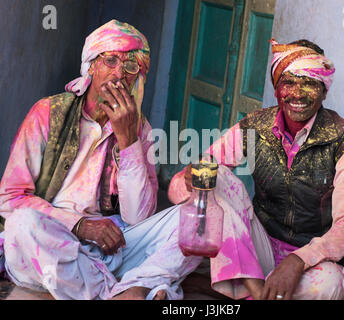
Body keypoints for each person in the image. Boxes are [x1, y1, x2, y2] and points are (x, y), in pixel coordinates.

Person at [0, 20, 203, 300]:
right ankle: (124, 290)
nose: (119, 73)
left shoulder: (138, 127)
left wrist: (128, 140)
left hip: (115, 246)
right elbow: (9, 199)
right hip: (53, 240)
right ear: (92, 65)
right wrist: (80, 225)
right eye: (110, 60)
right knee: (21, 224)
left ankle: (117, 284)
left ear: (137, 77)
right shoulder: (47, 113)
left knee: (197, 218)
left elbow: (138, 217)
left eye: (131, 66)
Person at [168, 39, 344, 300]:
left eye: (309, 82)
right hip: (256, 246)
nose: (297, 94)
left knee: (334, 283)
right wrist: (190, 186)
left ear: (324, 90)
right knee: (214, 176)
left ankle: (228, 290)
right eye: (288, 82)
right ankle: (254, 288)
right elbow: (185, 182)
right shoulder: (254, 127)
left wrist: (298, 261)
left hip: (310, 258)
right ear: (276, 88)